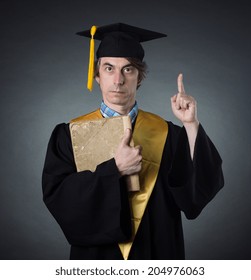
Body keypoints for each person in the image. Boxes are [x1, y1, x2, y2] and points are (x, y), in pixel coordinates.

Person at [42, 23, 224, 260]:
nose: (118, 80)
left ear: (139, 77)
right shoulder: (68, 135)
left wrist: (191, 125)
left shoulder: (169, 134)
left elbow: (196, 195)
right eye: (109, 68)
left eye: (128, 70)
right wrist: (114, 170)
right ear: (97, 75)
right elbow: (60, 200)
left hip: (157, 255)